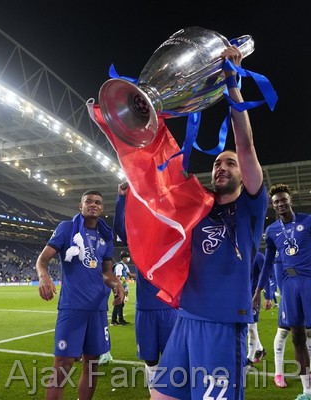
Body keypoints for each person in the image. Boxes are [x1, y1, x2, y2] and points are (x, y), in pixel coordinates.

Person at [150, 44, 268, 400]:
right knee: (161, 396)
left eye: (229, 163)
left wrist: (233, 82)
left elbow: (245, 145)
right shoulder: (200, 207)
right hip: (186, 316)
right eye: (218, 163)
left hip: (222, 322)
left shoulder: (251, 206)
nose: (222, 166)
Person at [254, 183, 311, 400]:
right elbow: (266, 265)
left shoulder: (309, 221)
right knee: (297, 337)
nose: (280, 204)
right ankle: (308, 392)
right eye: (276, 202)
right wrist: (259, 291)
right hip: (290, 285)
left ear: (290, 200)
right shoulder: (272, 231)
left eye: (283, 200)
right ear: (273, 206)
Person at [35, 189, 125, 400]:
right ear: (81, 206)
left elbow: (106, 272)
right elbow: (42, 259)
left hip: (98, 309)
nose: (93, 204)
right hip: (72, 307)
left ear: (102, 208)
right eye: (89, 202)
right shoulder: (67, 229)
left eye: (98, 202)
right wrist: (43, 276)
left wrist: (116, 284)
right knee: (62, 367)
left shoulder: (105, 235)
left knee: (92, 366)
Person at [113, 183, 178, 392]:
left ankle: (172, 395)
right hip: (146, 309)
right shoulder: (139, 238)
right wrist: (122, 198)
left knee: (173, 359)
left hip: (170, 308)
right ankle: (155, 395)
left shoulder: (176, 235)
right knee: (150, 360)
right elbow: (121, 227)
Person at [267, 255, 311, 389]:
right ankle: (278, 373)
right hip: (290, 297)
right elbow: (280, 275)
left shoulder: (306, 247)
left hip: (306, 294)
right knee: (283, 332)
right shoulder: (282, 251)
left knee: (309, 332)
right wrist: (288, 297)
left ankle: (307, 371)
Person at [247, 251, 268, 368]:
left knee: (251, 326)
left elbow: (266, 274)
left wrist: (268, 296)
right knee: (246, 325)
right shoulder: (240, 253)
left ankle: (249, 359)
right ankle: (260, 349)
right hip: (241, 296)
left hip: (254, 296)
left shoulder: (259, 256)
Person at [111, 250, 136, 326]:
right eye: (127, 257)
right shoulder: (120, 266)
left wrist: (141, 275)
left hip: (122, 286)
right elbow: (117, 277)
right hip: (119, 287)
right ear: (123, 258)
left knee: (121, 304)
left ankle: (121, 320)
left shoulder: (125, 266)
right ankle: (114, 321)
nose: (128, 258)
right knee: (118, 303)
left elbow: (130, 275)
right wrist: (120, 288)